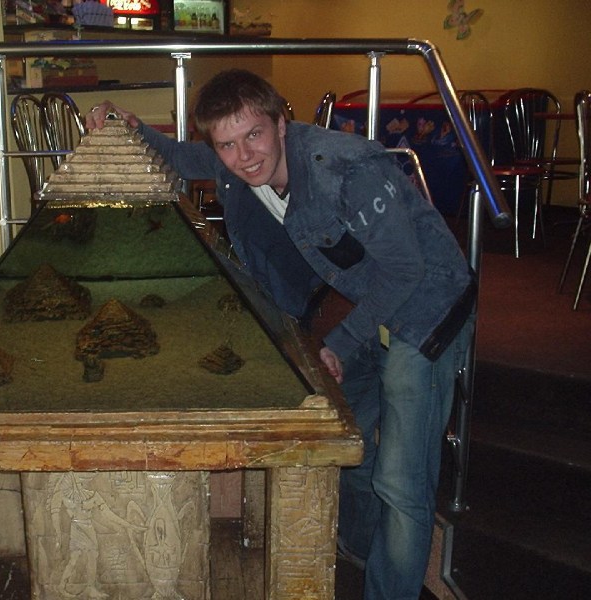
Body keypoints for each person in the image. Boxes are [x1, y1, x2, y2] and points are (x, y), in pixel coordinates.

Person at [85, 69, 476, 600]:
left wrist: (340, 342)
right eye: (227, 144)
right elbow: (179, 157)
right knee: (352, 445)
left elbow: (406, 270)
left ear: (281, 123)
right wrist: (131, 127)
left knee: (401, 482)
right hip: (376, 306)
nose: (244, 156)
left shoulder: (348, 171)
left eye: (254, 135)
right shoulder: (233, 163)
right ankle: (364, 550)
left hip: (429, 309)